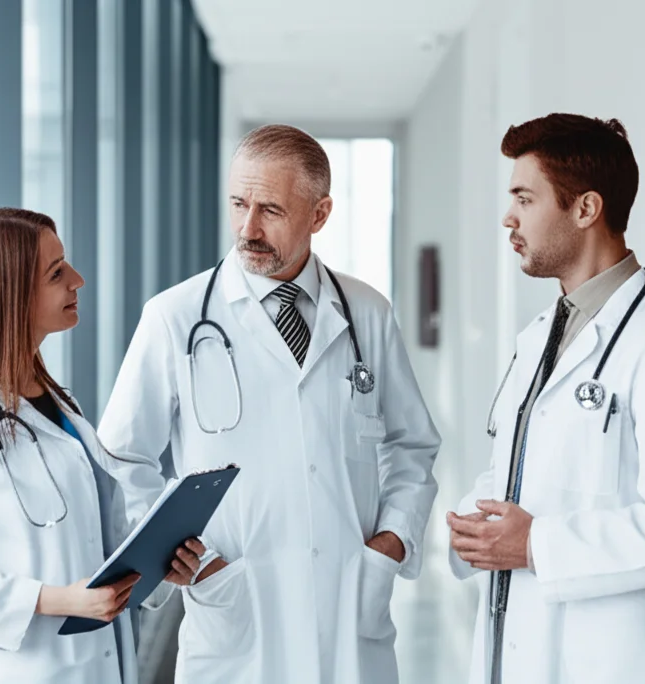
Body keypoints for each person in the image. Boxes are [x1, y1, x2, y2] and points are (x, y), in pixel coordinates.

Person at [97, 124, 441, 683]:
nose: (247, 228)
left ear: (320, 213)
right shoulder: (175, 316)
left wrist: (393, 541)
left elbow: (411, 444)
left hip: (347, 606)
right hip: (234, 605)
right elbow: (120, 455)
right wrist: (177, 553)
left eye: (271, 210)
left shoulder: (367, 313)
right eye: (239, 203)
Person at [446, 114, 645, 684]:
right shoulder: (540, 336)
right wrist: (476, 524)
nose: (509, 217)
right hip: (525, 640)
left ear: (585, 209)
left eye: (525, 198)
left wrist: (536, 544)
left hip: (621, 657)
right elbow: (522, 466)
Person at [0, 208, 202, 684]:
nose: (78, 280)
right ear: (8, 295)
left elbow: (91, 541)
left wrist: (157, 566)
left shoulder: (62, 405)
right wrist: (56, 599)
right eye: (57, 273)